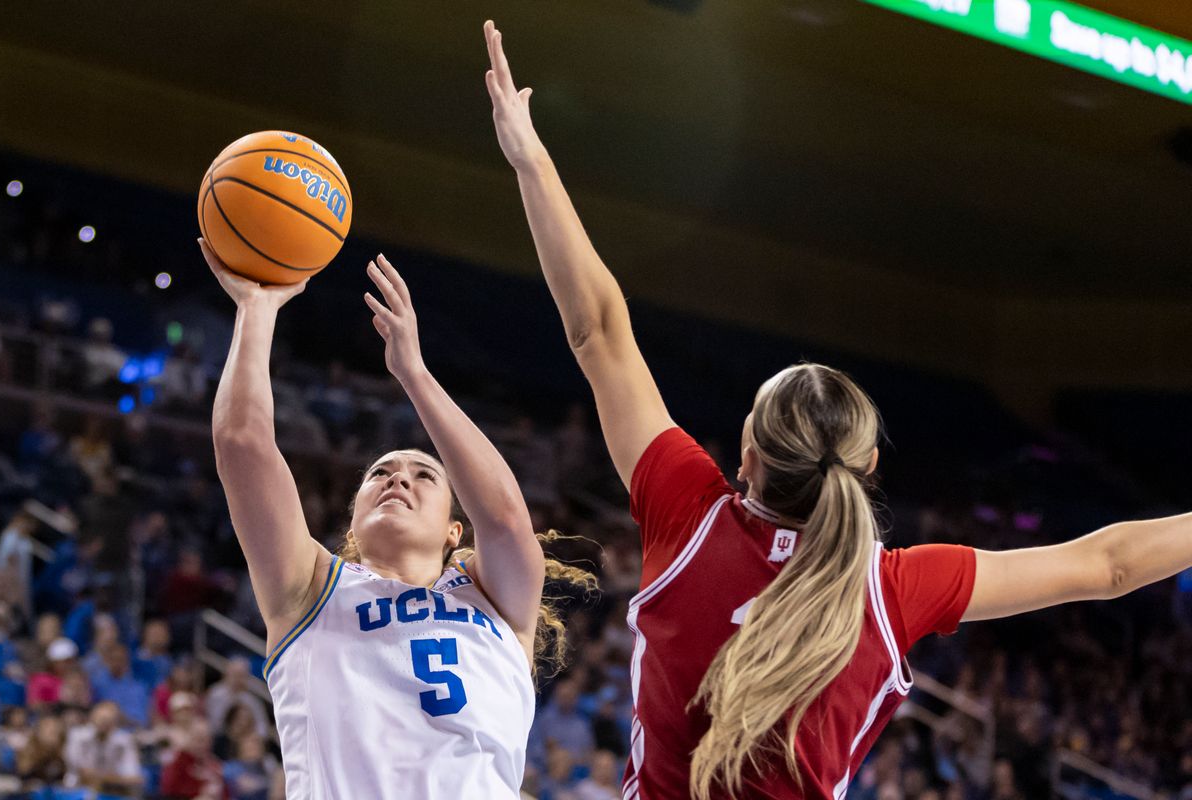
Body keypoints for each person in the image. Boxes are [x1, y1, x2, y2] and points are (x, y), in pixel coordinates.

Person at [482, 21, 1192, 799]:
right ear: (869, 469)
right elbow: (1108, 565)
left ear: (746, 458)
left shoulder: (690, 513)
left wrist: (533, 161)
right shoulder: (893, 588)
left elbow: (598, 332)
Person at [201, 240, 592, 799]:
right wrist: (256, 309)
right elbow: (241, 443)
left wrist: (413, 373)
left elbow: (505, 517)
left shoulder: (499, 600)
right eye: (379, 472)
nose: (397, 478)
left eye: (424, 475)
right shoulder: (310, 587)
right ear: (352, 522)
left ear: (456, 532)